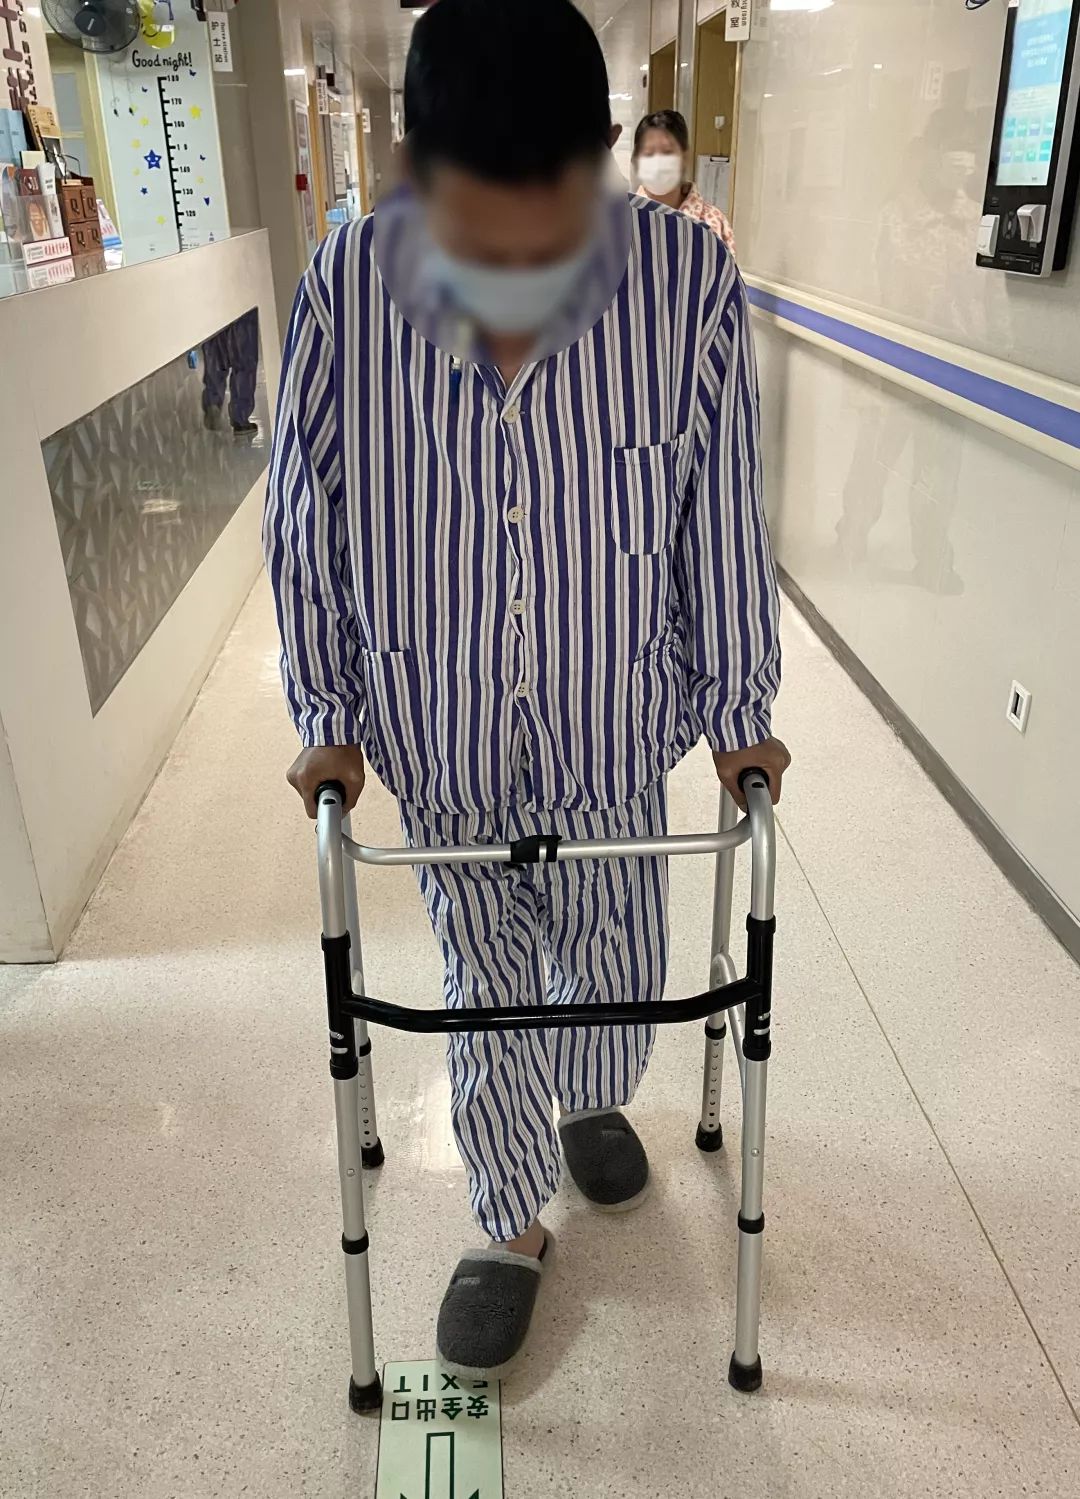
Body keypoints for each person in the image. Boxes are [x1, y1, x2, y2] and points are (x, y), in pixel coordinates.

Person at [264, 0, 787, 1379]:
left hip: (614, 712)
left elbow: (723, 509)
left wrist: (740, 706)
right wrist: (326, 712)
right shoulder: (350, 283)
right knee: (482, 970)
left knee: (612, 972)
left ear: (597, 158)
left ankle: (585, 1087)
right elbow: (306, 509)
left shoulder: (684, 281)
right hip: (433, 713)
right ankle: (507, 1217)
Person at [633, 108, 737, 257]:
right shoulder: (621, 221)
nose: (657, 163)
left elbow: (729, 271)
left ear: (685, 157)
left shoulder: (714, 223)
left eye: (667, 152)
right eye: (648, 153)